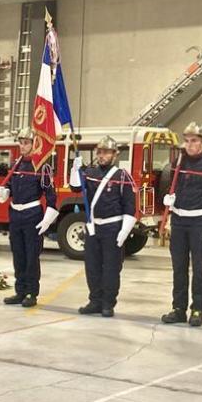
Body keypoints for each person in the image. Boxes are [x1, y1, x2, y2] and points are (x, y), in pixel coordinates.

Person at [161, 122, 202, 327]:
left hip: (199, 223)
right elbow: (167, 186)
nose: (190, 145)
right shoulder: (177, 164)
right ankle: (178, 308)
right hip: (179, 221)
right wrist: (168, 200)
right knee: (178, 268)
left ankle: (197, 309)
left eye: (194, 141)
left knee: (198, 269)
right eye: (187, 141)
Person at [69, 136, 137, 318]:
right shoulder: (90, 172)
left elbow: (131, 206)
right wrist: (75, 169)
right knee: (92, 266)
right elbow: (75, 188)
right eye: (99, 152)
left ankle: (108, 303)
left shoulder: (122, 176)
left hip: (113, 228)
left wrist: (124, 231)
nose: (102, 155)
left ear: (115, 155)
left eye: (106, 152)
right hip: (93, 227)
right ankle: (95, 301)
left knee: (111, 268)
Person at [0, 127, 58, 308]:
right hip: (15, 214)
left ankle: (31, 292)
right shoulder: (16, 164)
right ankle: (20, 290)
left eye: (26, 143)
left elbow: (51, 195)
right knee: (18, 255)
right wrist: (4, 192)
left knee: (31, 256)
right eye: (21, 142)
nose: (22, 146)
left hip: (32, 215)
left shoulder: (42, 166)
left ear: (34, 144)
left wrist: (47, 219)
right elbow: (13, 190)